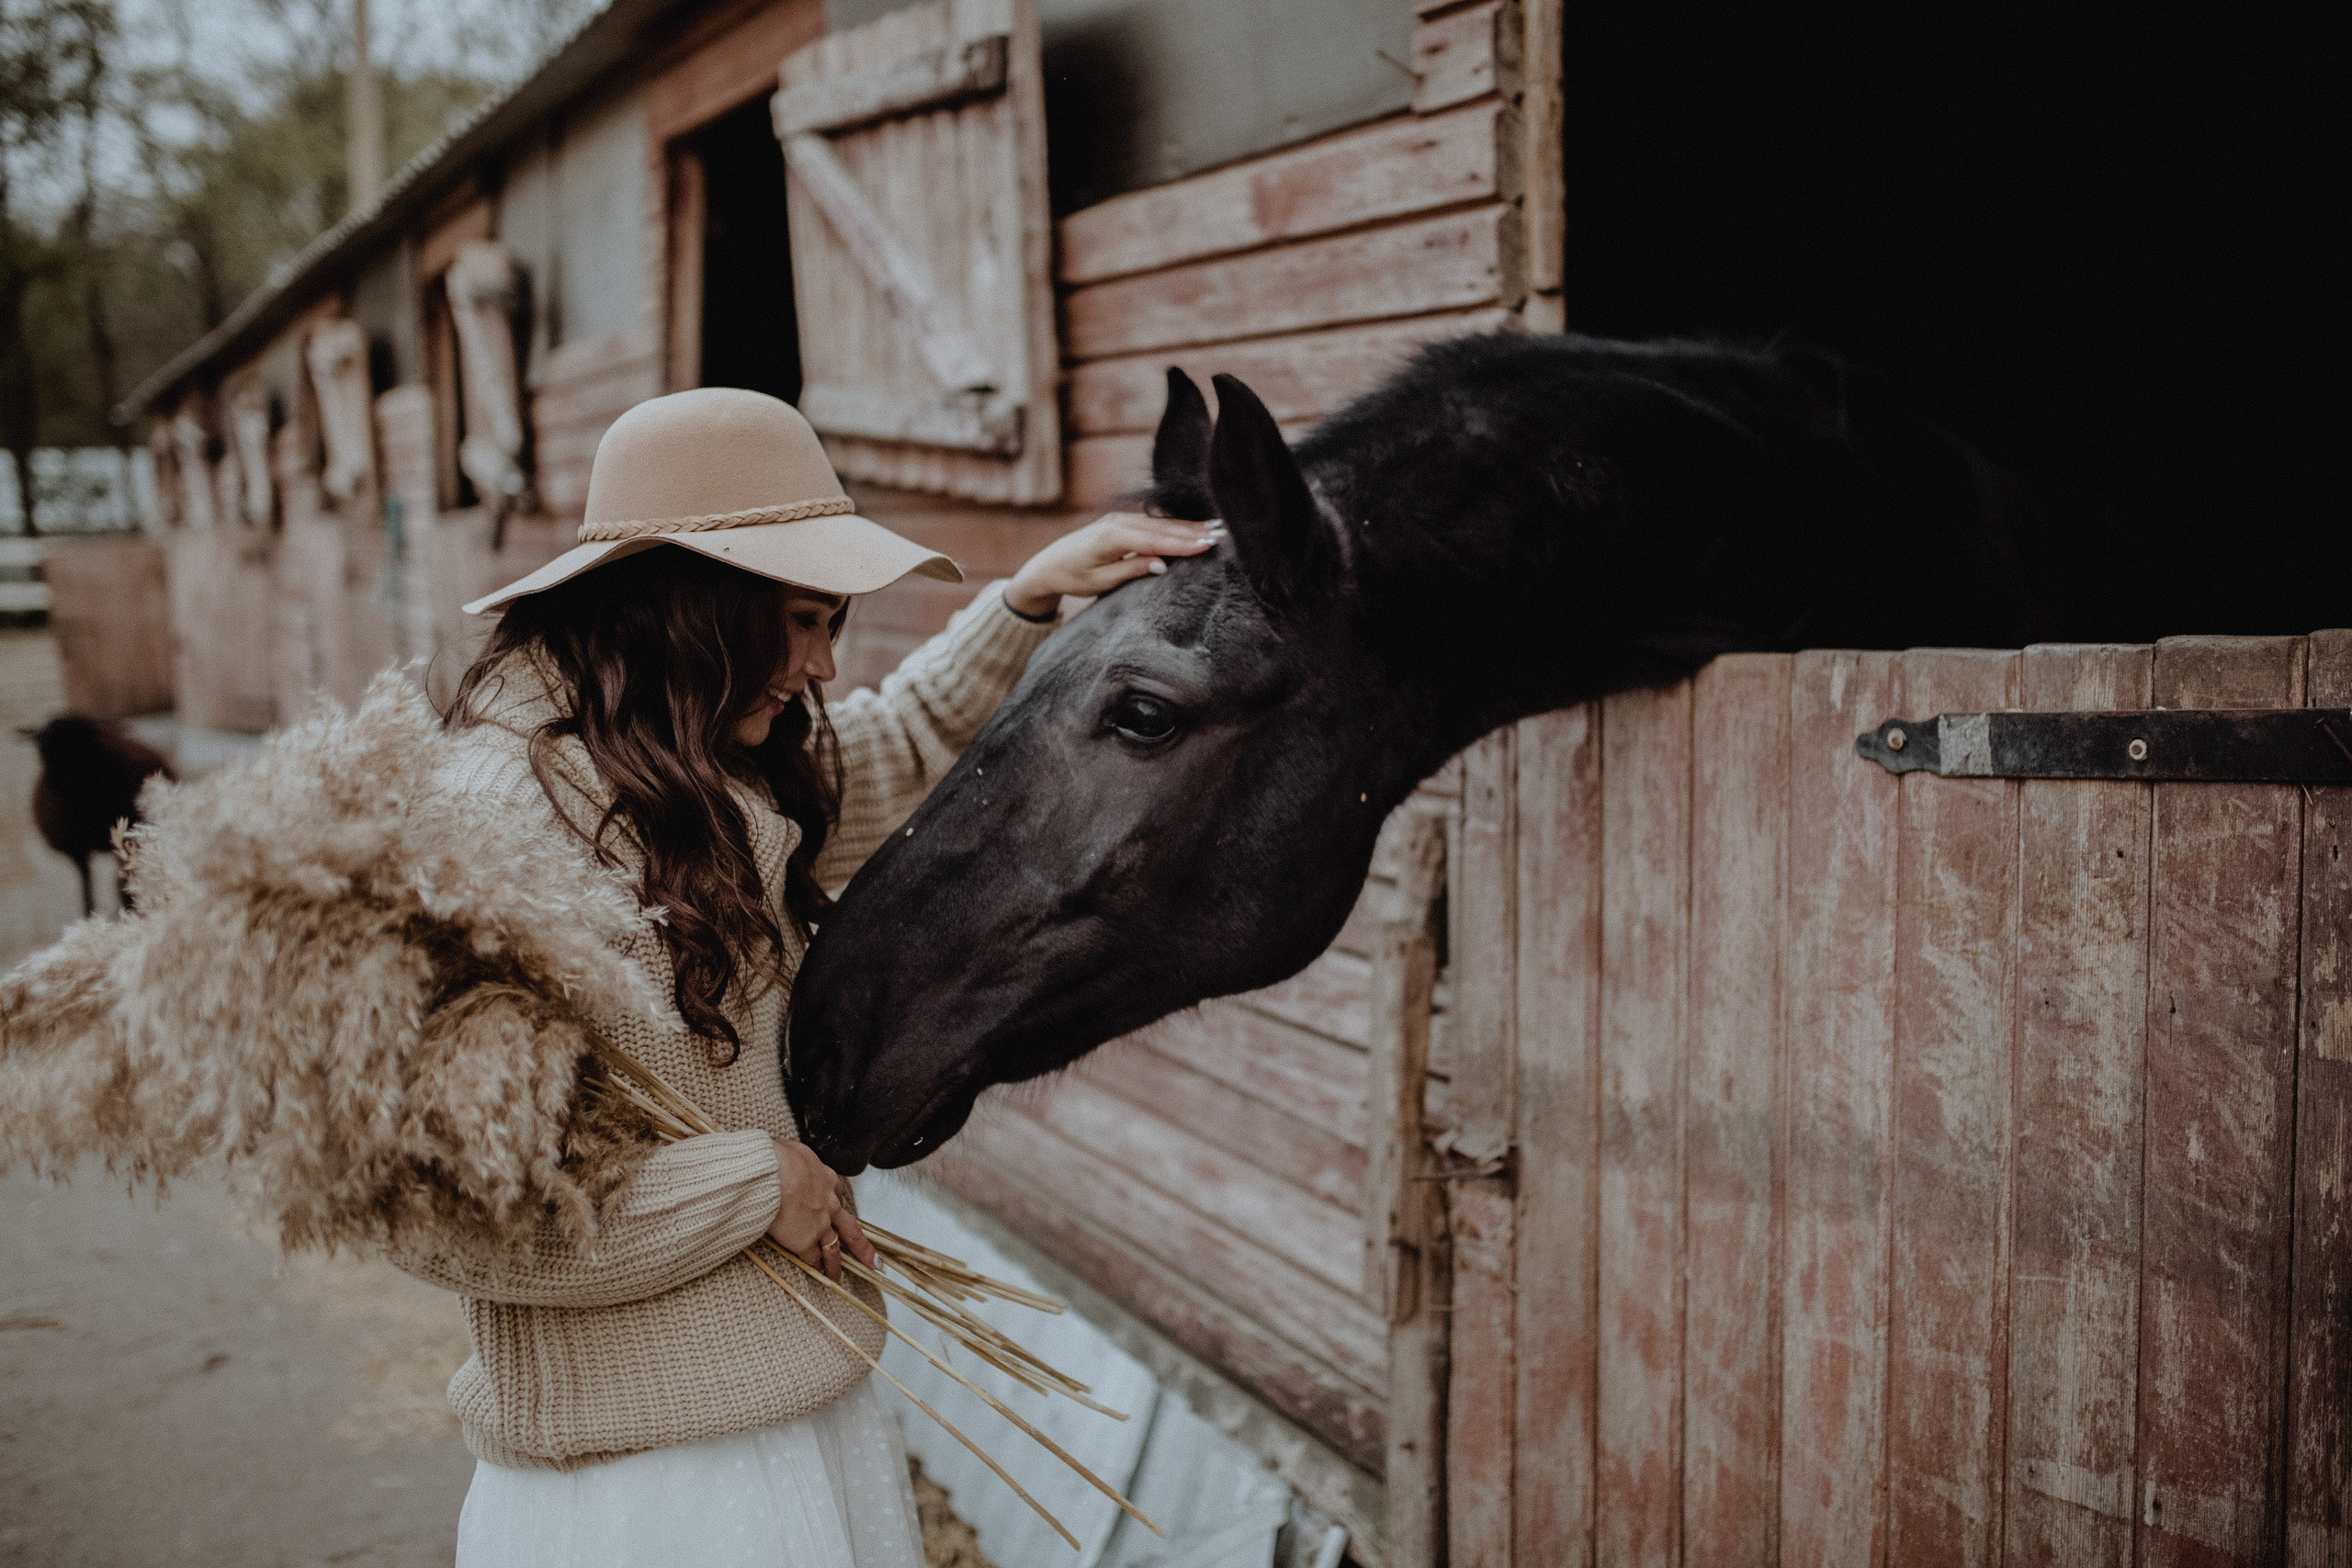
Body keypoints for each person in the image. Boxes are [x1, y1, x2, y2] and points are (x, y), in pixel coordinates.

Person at [404, 387, 1214, 1567]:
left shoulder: (692, 779)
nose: (824, 663)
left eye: (830, 619)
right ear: (688, 605)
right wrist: (750, 1186)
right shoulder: (497, 829)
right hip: (645, 1483)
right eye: (798, 619)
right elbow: (448, 1218)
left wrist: (1030, 598)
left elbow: (892, 745)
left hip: (796, 1410)